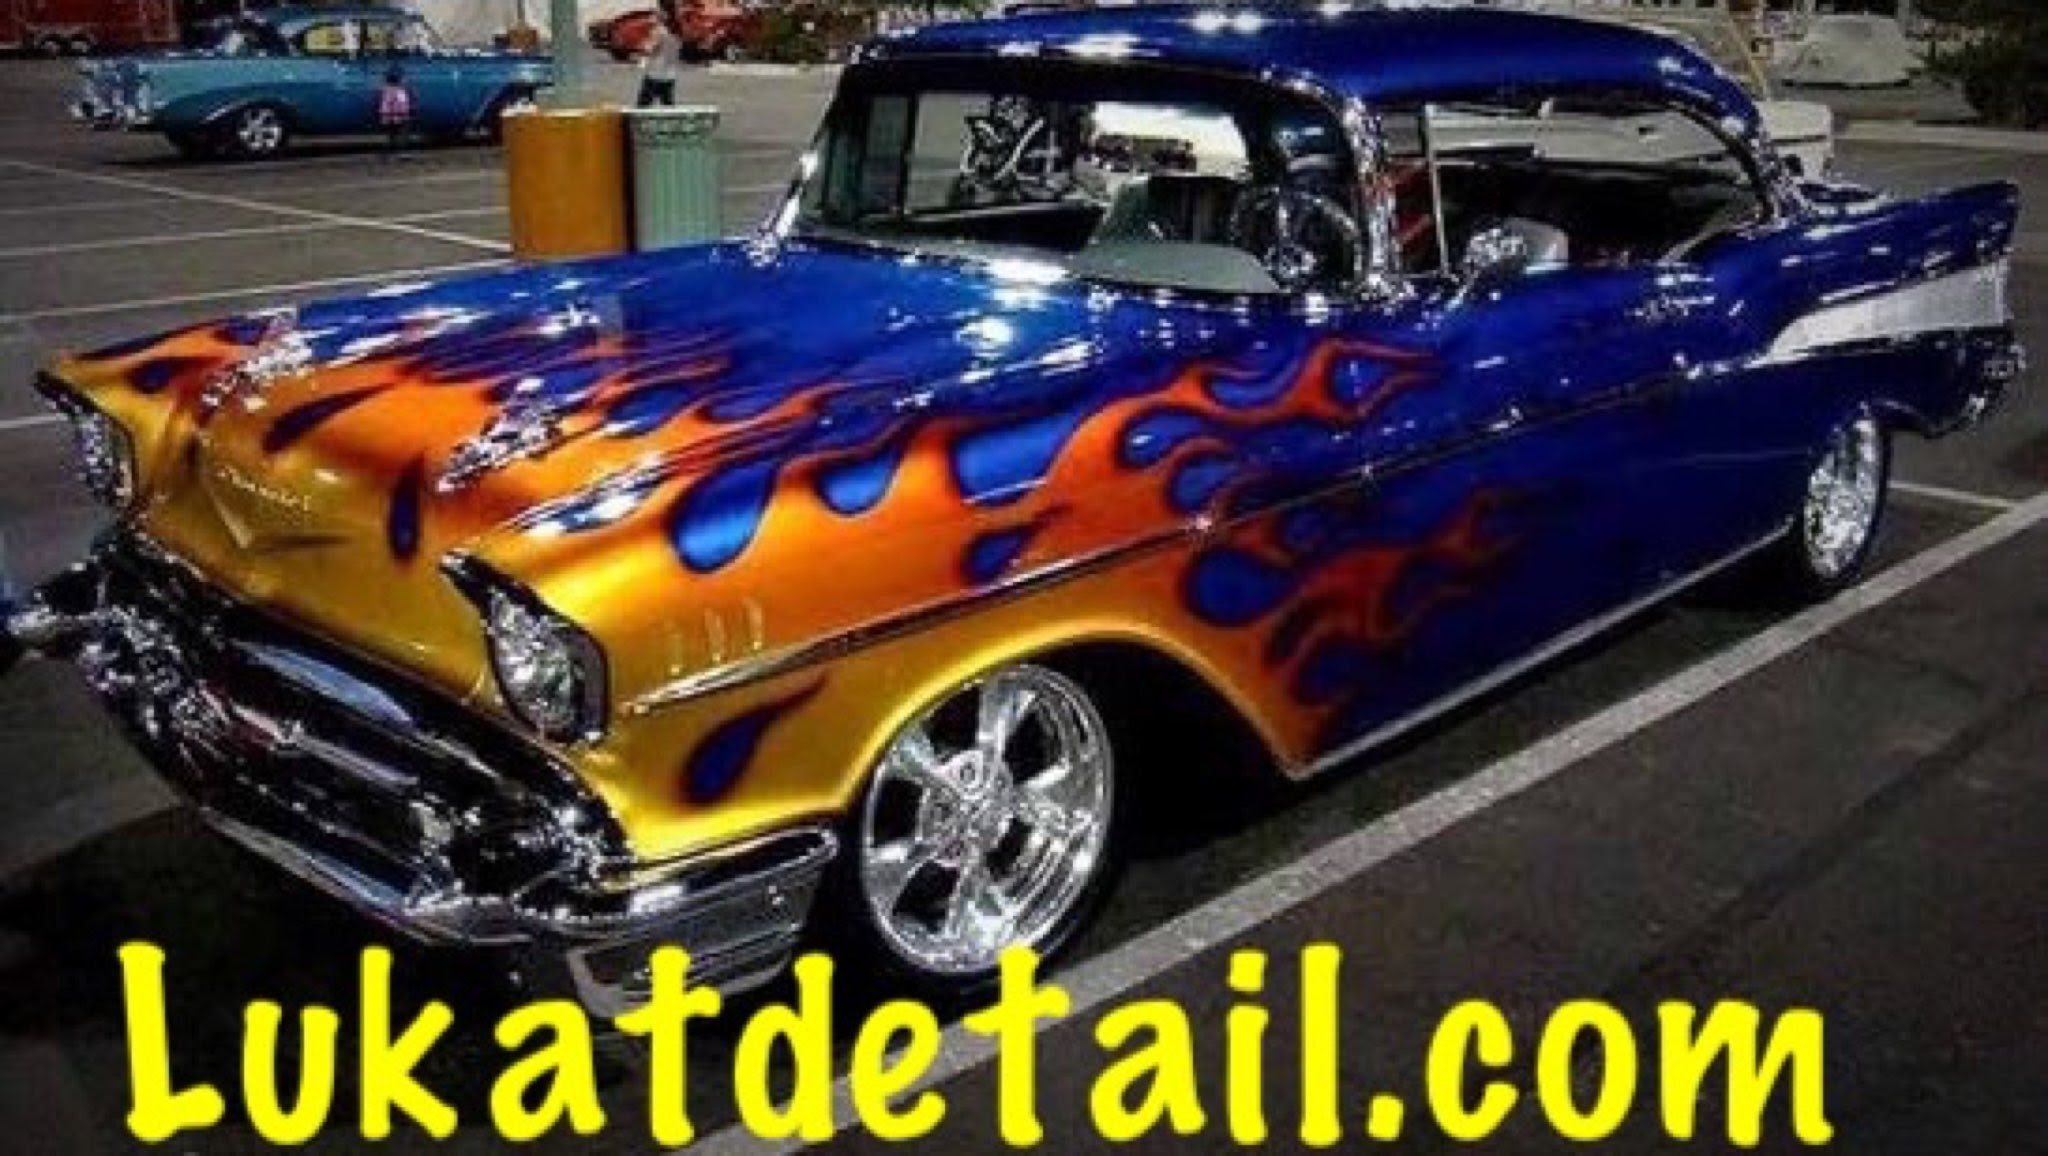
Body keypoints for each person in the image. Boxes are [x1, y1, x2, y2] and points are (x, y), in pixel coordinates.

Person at [637, 2, 683, 108]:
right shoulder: (676, 33)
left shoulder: (658, 31)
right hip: (670, 76)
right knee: (667, 106)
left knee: (643, 106)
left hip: (655, 75)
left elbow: (648, 49)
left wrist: (641, 47)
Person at [379, 66, 414, 156]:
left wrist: (384, 116)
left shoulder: (386, 90)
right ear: (399, 80)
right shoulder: (400, 91)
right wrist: (406, 114)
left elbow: (385, 105)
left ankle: (389, 152)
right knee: (402, 134)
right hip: (399, 116)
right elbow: (402, 104)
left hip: (389, 116)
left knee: (392, 135)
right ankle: (402, 152)